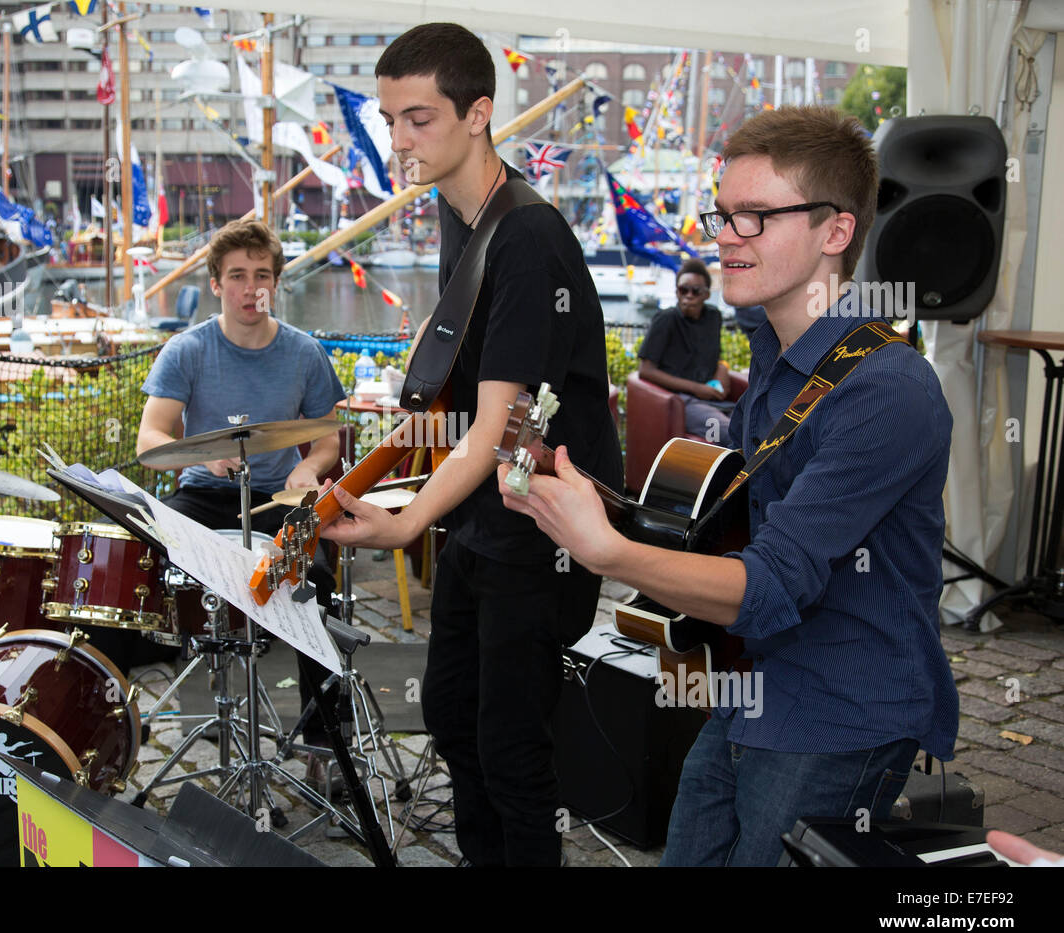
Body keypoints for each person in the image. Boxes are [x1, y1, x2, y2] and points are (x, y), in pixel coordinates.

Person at [499, 105, 958, 866]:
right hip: (751, 689)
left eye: (757, 217)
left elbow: (773, 581)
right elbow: (737, 531)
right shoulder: (775, 359)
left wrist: (607, 551)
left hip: (842, 714)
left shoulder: (889, 391)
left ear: (835, 232)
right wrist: (579, 491)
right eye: (724, 213)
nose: (726, 236)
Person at [319, 22, 622, 866]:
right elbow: (464, 395)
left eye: (419, 119)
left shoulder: (525, 237)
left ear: (479, 112)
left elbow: (494, 430)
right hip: (487, 520)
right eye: (389, 120)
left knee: (512, 753)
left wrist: (403, 521)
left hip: (540, 525)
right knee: (454, 717)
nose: (399, 141)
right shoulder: (463, 213)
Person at [136, 218, 346, 789]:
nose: (249, 287)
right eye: (236, 275)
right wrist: (200, 457)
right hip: (205, 495)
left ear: (275, 283)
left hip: (275, 499)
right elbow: (150, 439)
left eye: (261, 275)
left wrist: (307, 466)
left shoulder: (304, 354)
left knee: (318, 582)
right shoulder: (187, 350)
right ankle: (189, 693)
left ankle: (325, 742)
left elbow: (328, 440)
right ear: (215, 284)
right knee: (150, 561)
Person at [638, 257, 732, 443]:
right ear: (676, 292)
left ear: (706, 294)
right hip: (681, 401)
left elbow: (716, 357)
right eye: (683, 290)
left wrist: (722, 371)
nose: (688, 295)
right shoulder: (665, 320)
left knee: (758, 425)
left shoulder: (714, 317)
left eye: (695, 291)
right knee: (728, 432)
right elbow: (645, 370)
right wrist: (698, 389)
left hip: (711, 398)